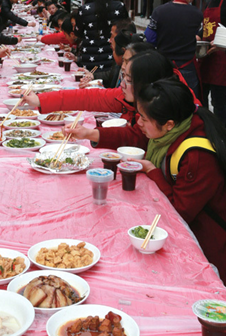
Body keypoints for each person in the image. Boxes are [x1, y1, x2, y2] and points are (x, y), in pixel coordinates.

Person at [68, 78, 226, 282]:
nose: (138, 123)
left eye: (143, 119)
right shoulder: (173, 129)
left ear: (169, 124)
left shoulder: (197, 155)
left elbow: (180, 211)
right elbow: (134, 136)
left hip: (208, 246)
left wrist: (152, 170)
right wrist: (91, 133)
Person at [22, 45, 158, 125]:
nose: (122, 84)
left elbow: (134, 139)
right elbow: (87, 97)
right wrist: (40, 100)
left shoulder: (158, 114)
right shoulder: (124, 95)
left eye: (128, 79)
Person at [145, 0, 203, 97]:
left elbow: (150, 38)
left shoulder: (159, 11)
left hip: (163, 65)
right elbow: (199, 35)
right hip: (187, 66)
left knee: (163, 99)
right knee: (188, 100)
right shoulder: (197, 14)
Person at [75, 0, 128, 71]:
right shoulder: (119, 7)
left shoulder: (84, 10)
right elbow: (126, 31)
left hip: (89, 57)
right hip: (113, 57)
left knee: (90, 83)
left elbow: (78, 32)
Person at [199, 0, 226, 127]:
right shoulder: (209, 3)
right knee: (203, 103)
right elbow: (206, 27)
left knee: (220, 105)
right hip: (208, 60)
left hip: (223, 64)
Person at [81, 20, 138, 88]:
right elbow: (111, 75)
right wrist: (92, 75)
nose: (109, 40)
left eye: (112, 36)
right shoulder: (118, 62)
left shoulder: (131, 77)